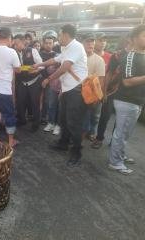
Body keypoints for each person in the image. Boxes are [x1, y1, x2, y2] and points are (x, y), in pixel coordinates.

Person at [33, 24, 88, 167]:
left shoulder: (76, 47)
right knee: (63, 119)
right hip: (67, 89)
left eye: (60, 34)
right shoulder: (67, 48)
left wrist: (48, 79)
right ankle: (63, 143)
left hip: (76, 90)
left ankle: (76, 152)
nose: (58, 37)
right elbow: (56, 60)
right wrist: (40, 65)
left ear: (66, 34)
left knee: (74, 123)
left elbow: (64, 68)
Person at [108, 25, 145, 174]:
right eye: (144, 36)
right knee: (121, 133)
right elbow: (127, 81)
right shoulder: (130, 56)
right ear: (135, 38)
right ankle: (115, 162)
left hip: (137, 101)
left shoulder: (142, 55)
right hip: (126, 100)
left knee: (126, 133)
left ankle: (120, 156)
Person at [91, 36, 134, 149]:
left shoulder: (139, 56)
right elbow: (109, 73)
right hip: (111, 90)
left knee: (120, 120)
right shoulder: (117, 55)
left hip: (127, 93)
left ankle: (114, 143)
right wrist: (104, 91)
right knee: (105, 116)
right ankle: (99, 138)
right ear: (130, 40)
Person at [13, 34, 43, 132]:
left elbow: (42, 65)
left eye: (17, 44)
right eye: (14, 44)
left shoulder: (32, 50)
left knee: (35, 103)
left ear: (22, 42)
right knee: (20, 102)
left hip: (34, 81)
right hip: (22, 82)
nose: (15, 46)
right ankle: (22, 120)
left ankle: (36, 123)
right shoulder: (14, 53)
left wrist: (35, 70)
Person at [82, 33, 106, 142]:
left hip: (92, 93)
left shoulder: (99, 60)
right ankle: (81, 135)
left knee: (95, 116)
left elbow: (100, 80)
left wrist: (96, 96)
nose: (90, 44)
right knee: (83, 116)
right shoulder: (79, 57)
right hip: (79, 92)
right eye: (87, 42)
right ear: (82, 44)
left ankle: (92, 132)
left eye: (92, 42)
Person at [40, 32, 61, 135]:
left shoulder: (58, 55)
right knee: (51, 104)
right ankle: (51, 122)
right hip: (50, 83)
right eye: (46, 43)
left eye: (50, 43)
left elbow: (59, 69)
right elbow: (48, 69)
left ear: (54, 44)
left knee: (59, 105)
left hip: (60, 84)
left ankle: (58, 125)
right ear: (43, 44)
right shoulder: (40, 53)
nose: (48, 45)